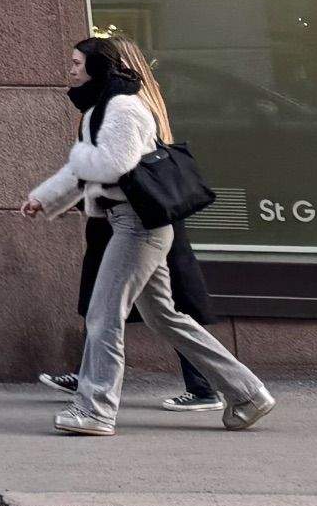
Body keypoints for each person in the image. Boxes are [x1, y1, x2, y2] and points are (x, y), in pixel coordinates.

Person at [25, 33, 273, 437]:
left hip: (137, 226)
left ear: (97, 67)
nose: (70, 70)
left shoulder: (123, 107)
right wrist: (44, 198)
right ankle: (247, 394)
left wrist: (78, 160)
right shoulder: (101, 107)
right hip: (135, 223)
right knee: (165, 318)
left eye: (76, 63)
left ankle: (95, 410)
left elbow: (113, 165)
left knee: (104, 314)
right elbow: (85, 170)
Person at [39, 193, 225, 413]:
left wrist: (60, 199)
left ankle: (207, 388)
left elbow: (111, 179)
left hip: (142, 225)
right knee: (102, 306)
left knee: (171, 311)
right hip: (122, 225)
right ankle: (87, 377)